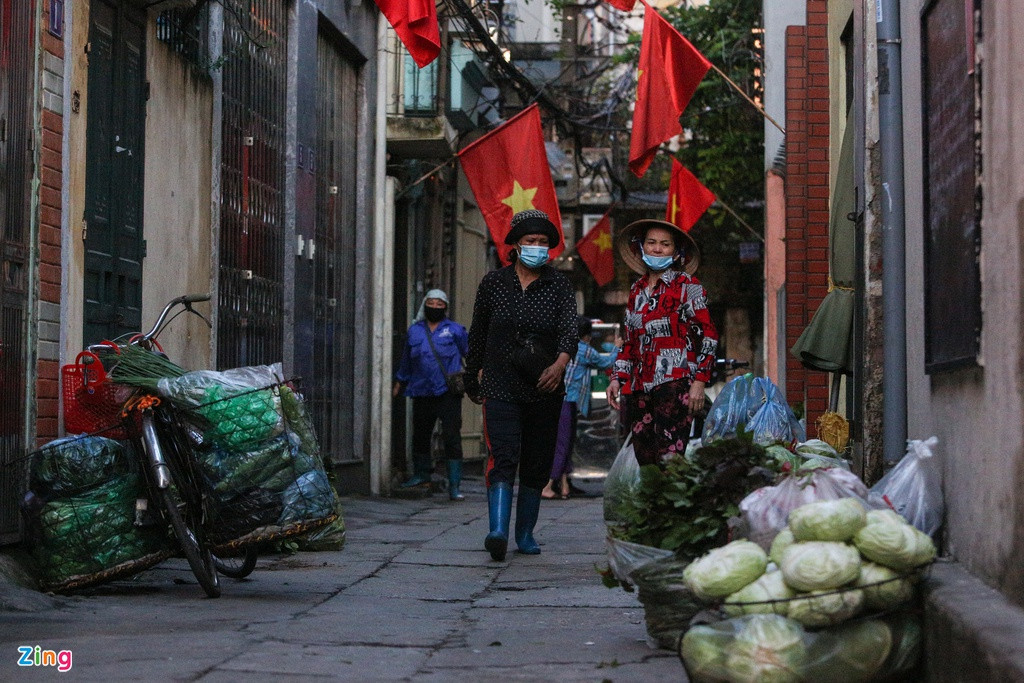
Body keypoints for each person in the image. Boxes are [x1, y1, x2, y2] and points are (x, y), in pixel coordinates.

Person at [464, 209, 578, 560]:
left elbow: (569, 332)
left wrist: (559, 365)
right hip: (500, 383)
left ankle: (525, 533)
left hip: (545, 386)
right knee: (503, 455)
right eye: (530, 241)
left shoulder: (559, 285)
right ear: (515, 244)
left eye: (543, 243)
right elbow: (478, 332)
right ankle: (497, 530)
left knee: (537, 460)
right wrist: (473, 372)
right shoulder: (493, 283)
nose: (537, 248)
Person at [606, 219, 719, 467]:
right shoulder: (636, 290)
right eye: (652, 243)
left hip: (675, 384)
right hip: (639, 386)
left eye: (665, 244)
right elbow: (629, 341)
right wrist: (617, 377)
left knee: (669, 459)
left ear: (677, 252)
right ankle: (649, 506)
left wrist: (700, 382)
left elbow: (709, 335)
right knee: (644, 458)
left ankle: (667, 506)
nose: (657, 249)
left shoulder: (688, 286)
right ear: (642, 247)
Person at [393, 289, 469, 500]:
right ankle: (421, 474)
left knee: (452, 436)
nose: (435, 307)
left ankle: (454, 484)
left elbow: (470, 353)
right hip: (421, 390)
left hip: (448, 392)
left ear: (445, 307)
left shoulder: (455, 330)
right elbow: (407, 360)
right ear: (425, 304)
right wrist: (399, 382)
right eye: (431, 303)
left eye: (439, 304)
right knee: (420, 435)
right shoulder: (415, 331)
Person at [542, 316, 617, 500]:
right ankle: (548, 485)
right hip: (568, 401)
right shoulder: (583, 349)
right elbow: (606, 362)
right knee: (562, 444)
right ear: (587, 336)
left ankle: (565, 485)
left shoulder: (562, 346)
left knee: (565, 443)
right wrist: (617, 346)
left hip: (559, 400)